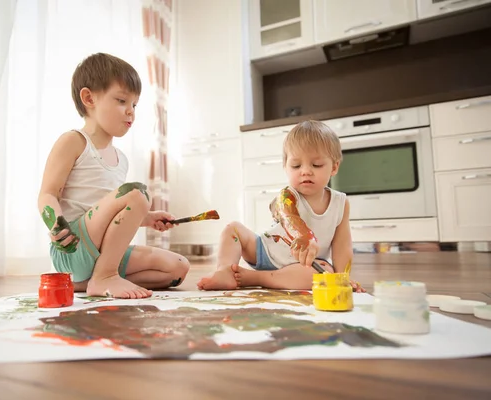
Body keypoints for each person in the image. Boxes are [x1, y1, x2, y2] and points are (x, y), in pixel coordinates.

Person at [38, 53, 190, 299]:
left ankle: (93, 280)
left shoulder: (122, 159)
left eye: (134, 105)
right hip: (74, 247)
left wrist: (147, 218)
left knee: (179, 268)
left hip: (103, 253)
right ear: (89, 98)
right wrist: (56, 225)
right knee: (137, 193)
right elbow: (47, 194)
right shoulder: (74, 141)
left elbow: (115, 215)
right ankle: (104, 277)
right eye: (122, 100)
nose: (130, 112)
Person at [197, 120, 364, 292]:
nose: (305, 171)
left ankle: (255, 278)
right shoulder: (287, 196)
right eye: (296, 165)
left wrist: (342, 278)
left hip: (303, 266)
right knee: (233, 229)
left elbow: (342, 246)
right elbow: (289, 218)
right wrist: (305, 236)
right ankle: (225, 271)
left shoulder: (340, 203)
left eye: (316, 165)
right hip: (265, 251)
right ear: (286, 167)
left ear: (334, 167)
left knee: (325, 273)